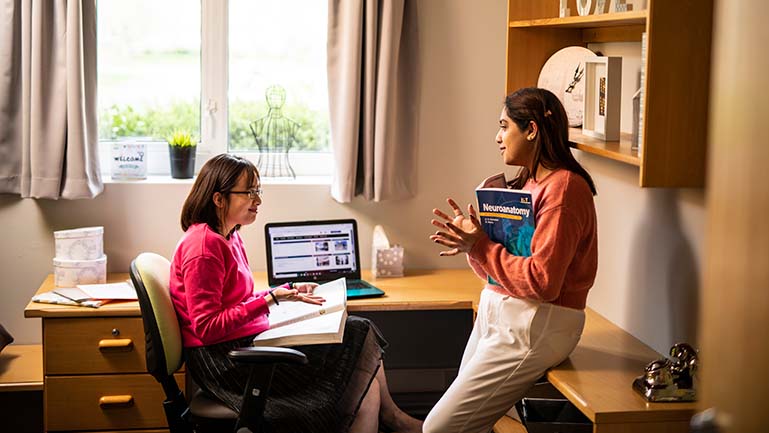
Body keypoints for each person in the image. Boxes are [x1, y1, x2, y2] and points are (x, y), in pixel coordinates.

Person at [169, 154, 422, 433]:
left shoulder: (230, 236)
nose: (258, 200)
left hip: (246, 342)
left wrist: (284, 291)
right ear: (218, 199)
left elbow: (236, 300)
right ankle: (394, 419)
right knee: (358, 335)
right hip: (228, 363)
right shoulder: (204, 248)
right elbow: (207, 328)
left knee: (359, 345)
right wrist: (270, 300)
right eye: (250, 192)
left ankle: (391, 418)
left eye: (258, 190)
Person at [425, 87, 598, 433]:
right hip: (502, 314)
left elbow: (543, 283)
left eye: (504, 126)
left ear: (532, 129)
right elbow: (501, 272)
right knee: (465, 422)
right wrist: (473, 243)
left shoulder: (563, 189)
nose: (498, 137)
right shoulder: (529, 183)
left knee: (439, 428)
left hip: (535, 323)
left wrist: (482, 248)